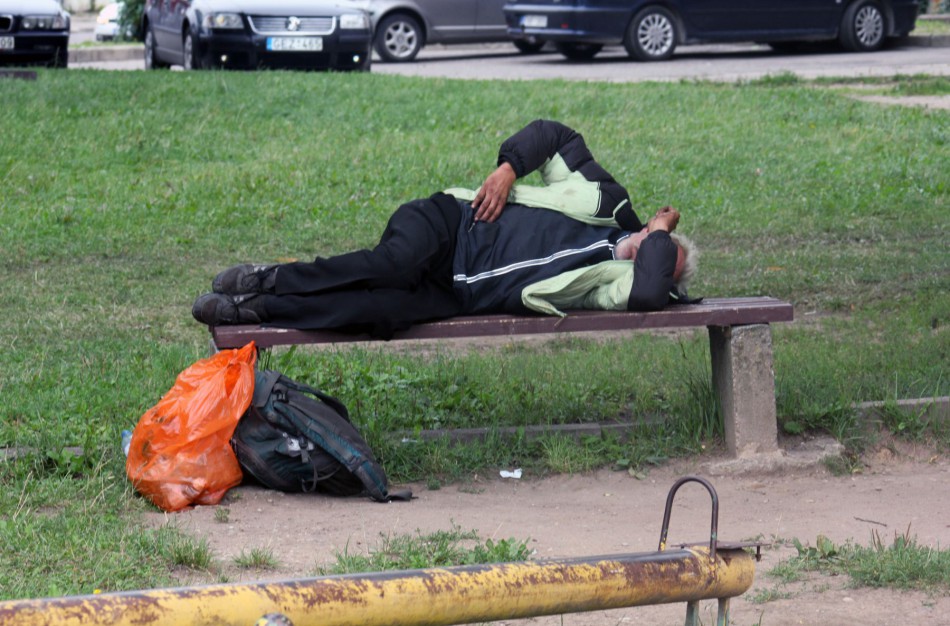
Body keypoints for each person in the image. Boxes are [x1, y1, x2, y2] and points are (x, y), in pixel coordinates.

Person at [193, 119, 698, 339]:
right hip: (452, 224)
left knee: (377, 312)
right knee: (390, 266)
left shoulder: (616, 283)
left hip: (456, 295)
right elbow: (555, 135)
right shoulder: (607, 201)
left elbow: (652, 291)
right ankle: (268, 279)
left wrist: (658, 235)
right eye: (657, 243)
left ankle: (258, 311)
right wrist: (508, 168)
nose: (644, 252)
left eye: (652, 255)